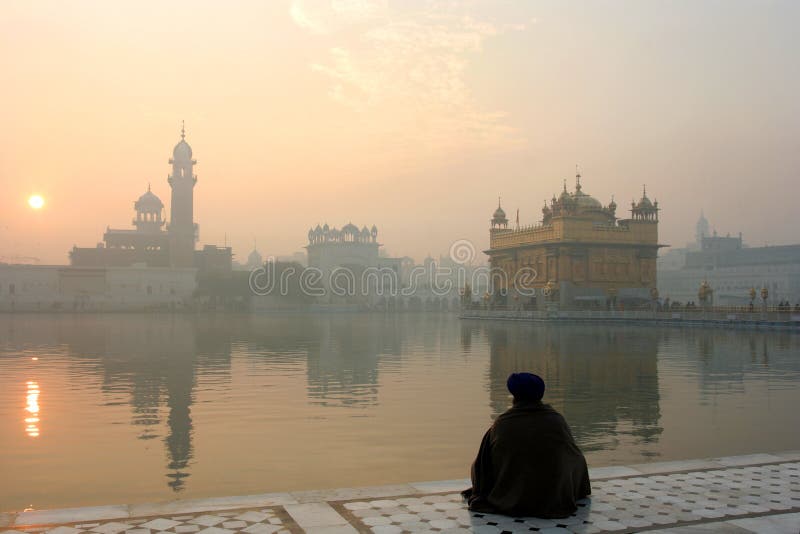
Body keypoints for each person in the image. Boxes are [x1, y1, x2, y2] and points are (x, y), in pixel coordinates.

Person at [462, 373, 591, 518]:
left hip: (510, 499)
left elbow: (482, 466)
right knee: (574, 456)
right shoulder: (556, 421)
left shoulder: (503, 424)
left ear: (514, 396)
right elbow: (575, 458)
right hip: (552, 499)